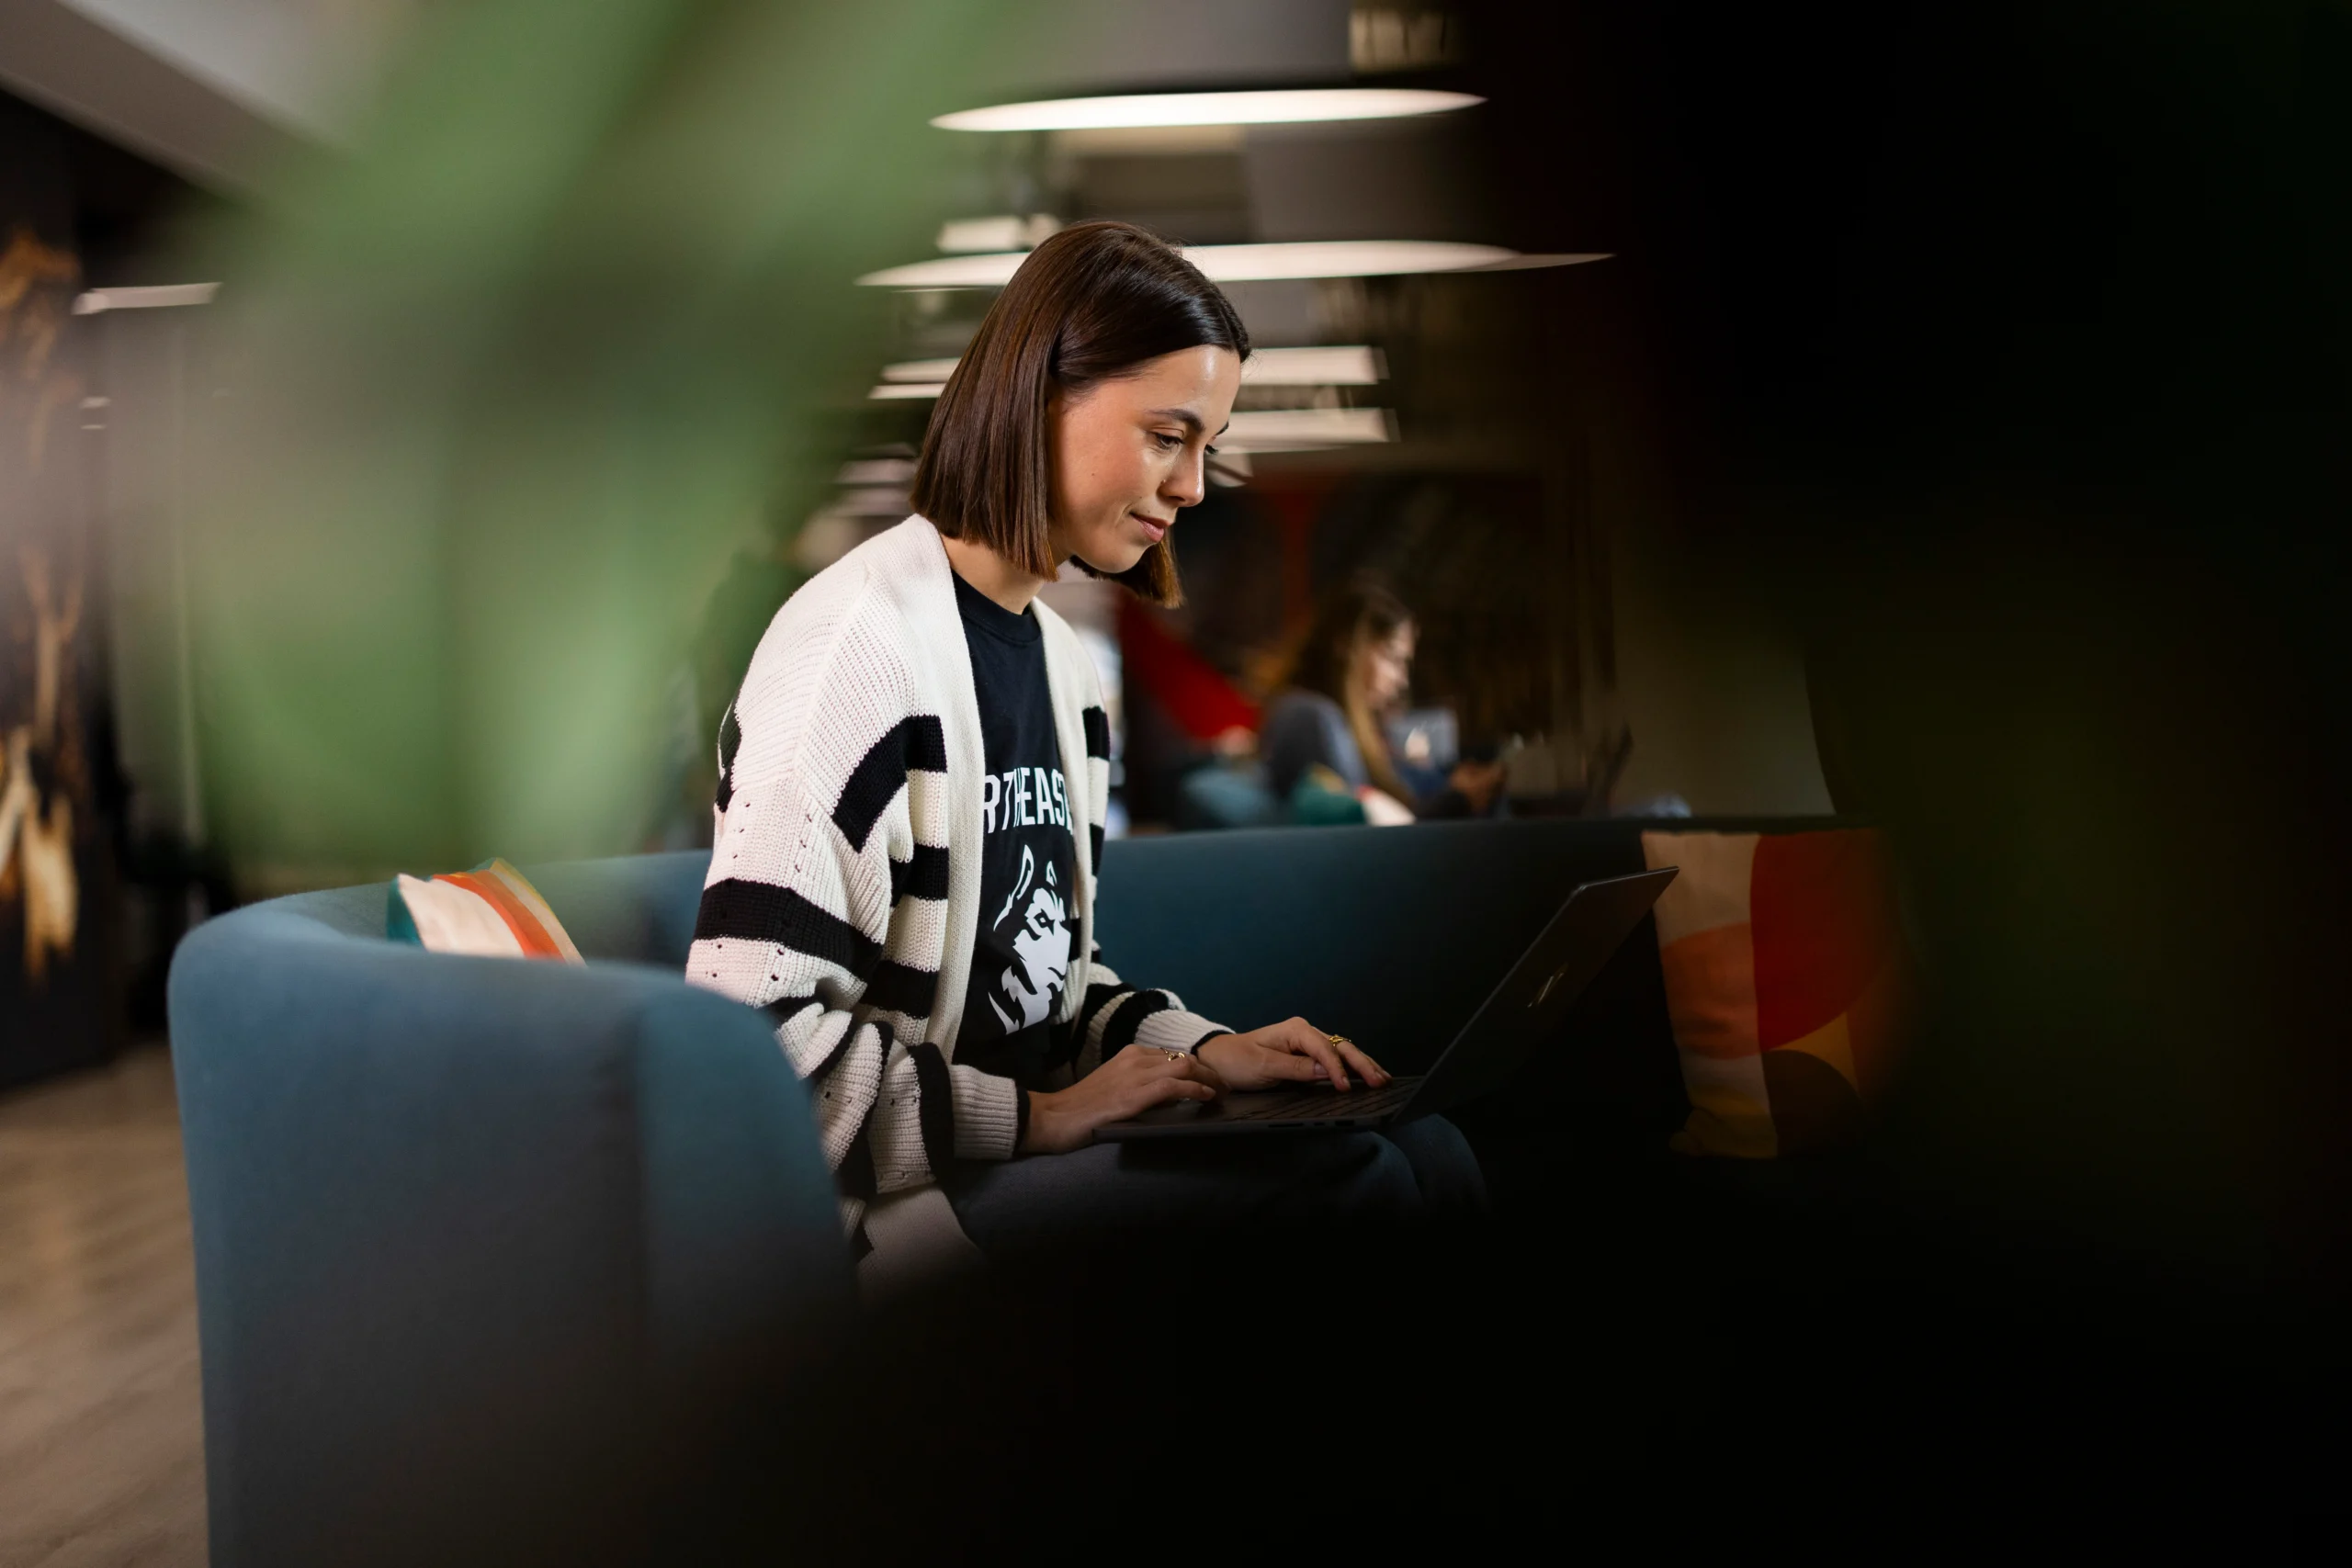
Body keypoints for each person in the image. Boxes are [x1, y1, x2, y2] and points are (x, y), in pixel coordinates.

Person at [686, 221, 1480, 1279]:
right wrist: (1039, 1118)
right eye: (1167, 436)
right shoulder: (852, 656)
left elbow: (1045, 993)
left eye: (1206, 447)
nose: (1194, 486)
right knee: (1357, 1184)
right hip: (898, 1217)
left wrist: (1204, 1052)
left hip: (1021, 1155)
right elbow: (750, 1053)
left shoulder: (1065, 674)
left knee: (1431, 1146)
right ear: (1041, 399)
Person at [1260, 581, 1510, 823]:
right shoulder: (1310, 717)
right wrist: (1457, 802)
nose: (1401, 680)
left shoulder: (1338, 724)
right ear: (1345, 644)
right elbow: (1356, 834)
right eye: (1392, 658)